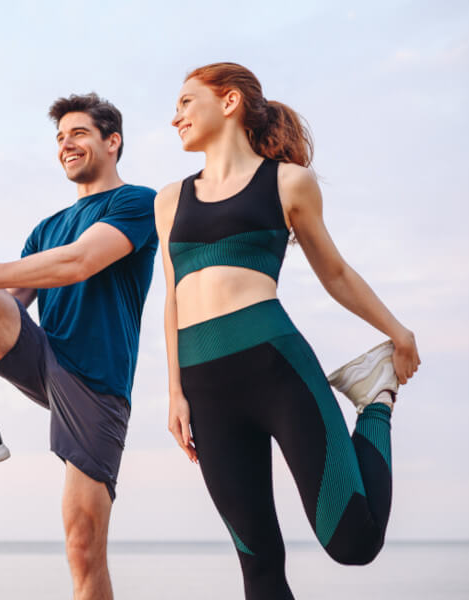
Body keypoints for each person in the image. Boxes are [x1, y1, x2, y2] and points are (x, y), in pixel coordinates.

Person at [154, 62, 420, 600]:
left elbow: (336, 273)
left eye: (186, 101)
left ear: (228, 102)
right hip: (204, 388)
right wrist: (175, 392)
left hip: (275, 368)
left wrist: (397, 331)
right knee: (259, 566)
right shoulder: (168, 200)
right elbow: (172, 298)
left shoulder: (287, 183)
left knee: (353, 542)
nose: (174, 115)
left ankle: (374, 401)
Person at [0, 92, 158, 600]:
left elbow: (78, 263)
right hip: (43, 357)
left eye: (80, 134)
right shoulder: (45, 228)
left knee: (82, 545)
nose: (67, 144)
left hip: (96, 381)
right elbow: (12, 302)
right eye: (61, 138)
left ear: (112, 142)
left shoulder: (135, 202)